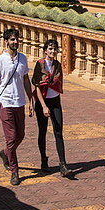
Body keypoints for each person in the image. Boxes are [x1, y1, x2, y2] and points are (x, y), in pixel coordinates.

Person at [0, 27, 34, 186]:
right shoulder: (0, 60)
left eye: (17, 39)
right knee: (11, 137)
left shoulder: (23, 58)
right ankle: (14, 171)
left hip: (19, 102)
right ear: (6, 41)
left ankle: (5, 153)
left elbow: (26, 80)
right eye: (12, 39)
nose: (15, 42)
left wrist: (31, 100)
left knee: (21, 135)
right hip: (5, 102)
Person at [32, 38, 73, 179]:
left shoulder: (57, 65)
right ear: (45, 50)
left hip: (55, 101)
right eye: (50, 49)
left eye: (55, 49)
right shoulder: (40, 64)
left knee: (58, 131)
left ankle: (63, 164)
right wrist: (43, 106)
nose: (53, 51)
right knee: (42, 131)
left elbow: (57, 83)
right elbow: (37, 86)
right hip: (42, 101)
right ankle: (44, 160)